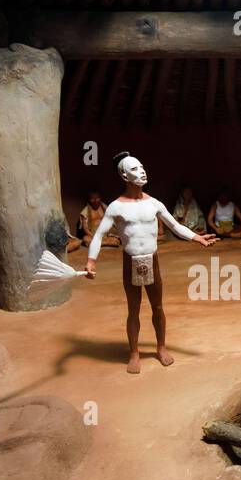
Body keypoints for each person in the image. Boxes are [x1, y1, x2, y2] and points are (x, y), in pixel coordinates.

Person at [86, 152, 218, 374]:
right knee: (134, 309)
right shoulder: (116, 207)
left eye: (142, 167)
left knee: (158, 307)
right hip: (130, 261)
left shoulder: (154, 203)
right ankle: (134, 353)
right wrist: (91, 260)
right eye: (135, 169)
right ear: (124, 175)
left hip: (152, 260)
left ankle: (161, 347)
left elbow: (175, 226)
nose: (142, 171)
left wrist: (197, 237)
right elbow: (98, 235)